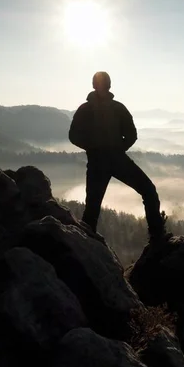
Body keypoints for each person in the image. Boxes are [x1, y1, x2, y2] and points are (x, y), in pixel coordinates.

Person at [68, 71, 167, 240]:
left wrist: (92, 148)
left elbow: (74, 136)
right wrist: (116, 148)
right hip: (114, 160)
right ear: (109, 85)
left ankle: (86, 246)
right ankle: (157, 237)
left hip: (100, 162)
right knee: (148, 191)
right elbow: (131, 135)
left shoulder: (87, 109)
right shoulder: (116, 108)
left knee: (92, 208)